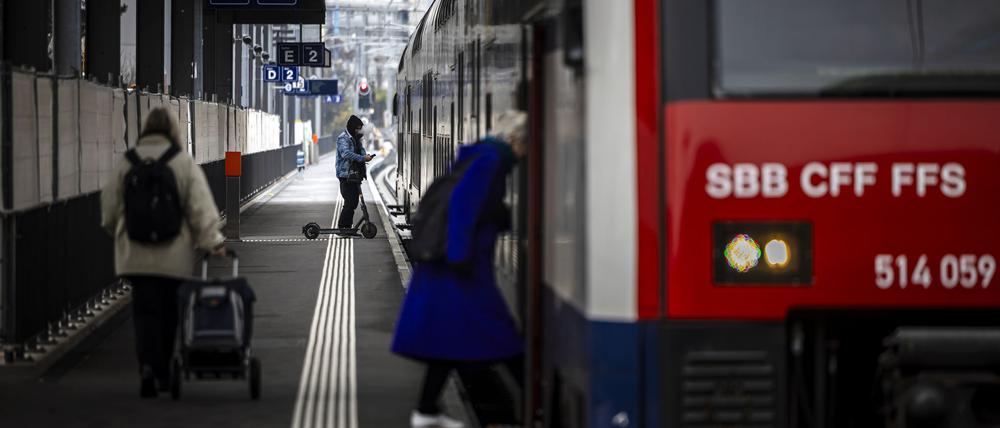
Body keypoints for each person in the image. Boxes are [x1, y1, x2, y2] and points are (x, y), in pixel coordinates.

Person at [391, 110, 528, 428]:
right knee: (501, 334)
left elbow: (475, 206)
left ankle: (425, 412)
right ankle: (539, 408)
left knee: (449, 338)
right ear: (512, 139)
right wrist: (460, 257)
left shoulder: (484, 156)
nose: (525, 151)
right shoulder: (490, 161)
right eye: (523, 144)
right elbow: (464, 206)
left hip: (457, 266)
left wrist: (496, 216)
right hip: (462, 268)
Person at [100, 107, 226, 398]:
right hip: (173, 255)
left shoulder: (127, 162)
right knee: (170, 311)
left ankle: (146, 365)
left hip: (135, 255)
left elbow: (108, 211)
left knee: (144, 311)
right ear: (173, 130)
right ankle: (163, 372)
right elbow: (200, 208)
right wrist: (213, 242)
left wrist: (119, 235)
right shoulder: (182, 162)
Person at [335, 115, 375, 236]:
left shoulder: (356, 138)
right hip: (345, 175)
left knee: (353, 202)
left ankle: (348, 228)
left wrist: (366, 156)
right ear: (352, 127)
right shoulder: (343, 138)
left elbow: (360, 150)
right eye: (357, 128)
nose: (359, 130)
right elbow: (345, 153)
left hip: (355, 175)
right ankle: (343, 228)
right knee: (350, 201)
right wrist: (362, 158)